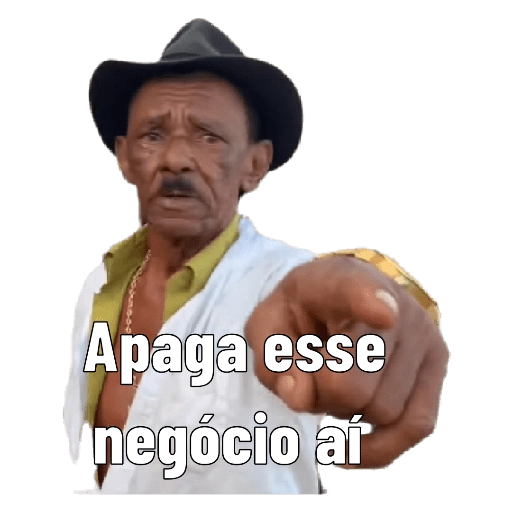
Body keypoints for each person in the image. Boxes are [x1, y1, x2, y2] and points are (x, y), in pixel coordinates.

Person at [64, 19, 449, 495]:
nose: (175, 159)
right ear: (124, 156)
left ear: (254, 164)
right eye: (153, 135)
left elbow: (349, 293)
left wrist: (389, 310)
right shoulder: (99, 287)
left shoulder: (282, 284)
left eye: (208, 136)